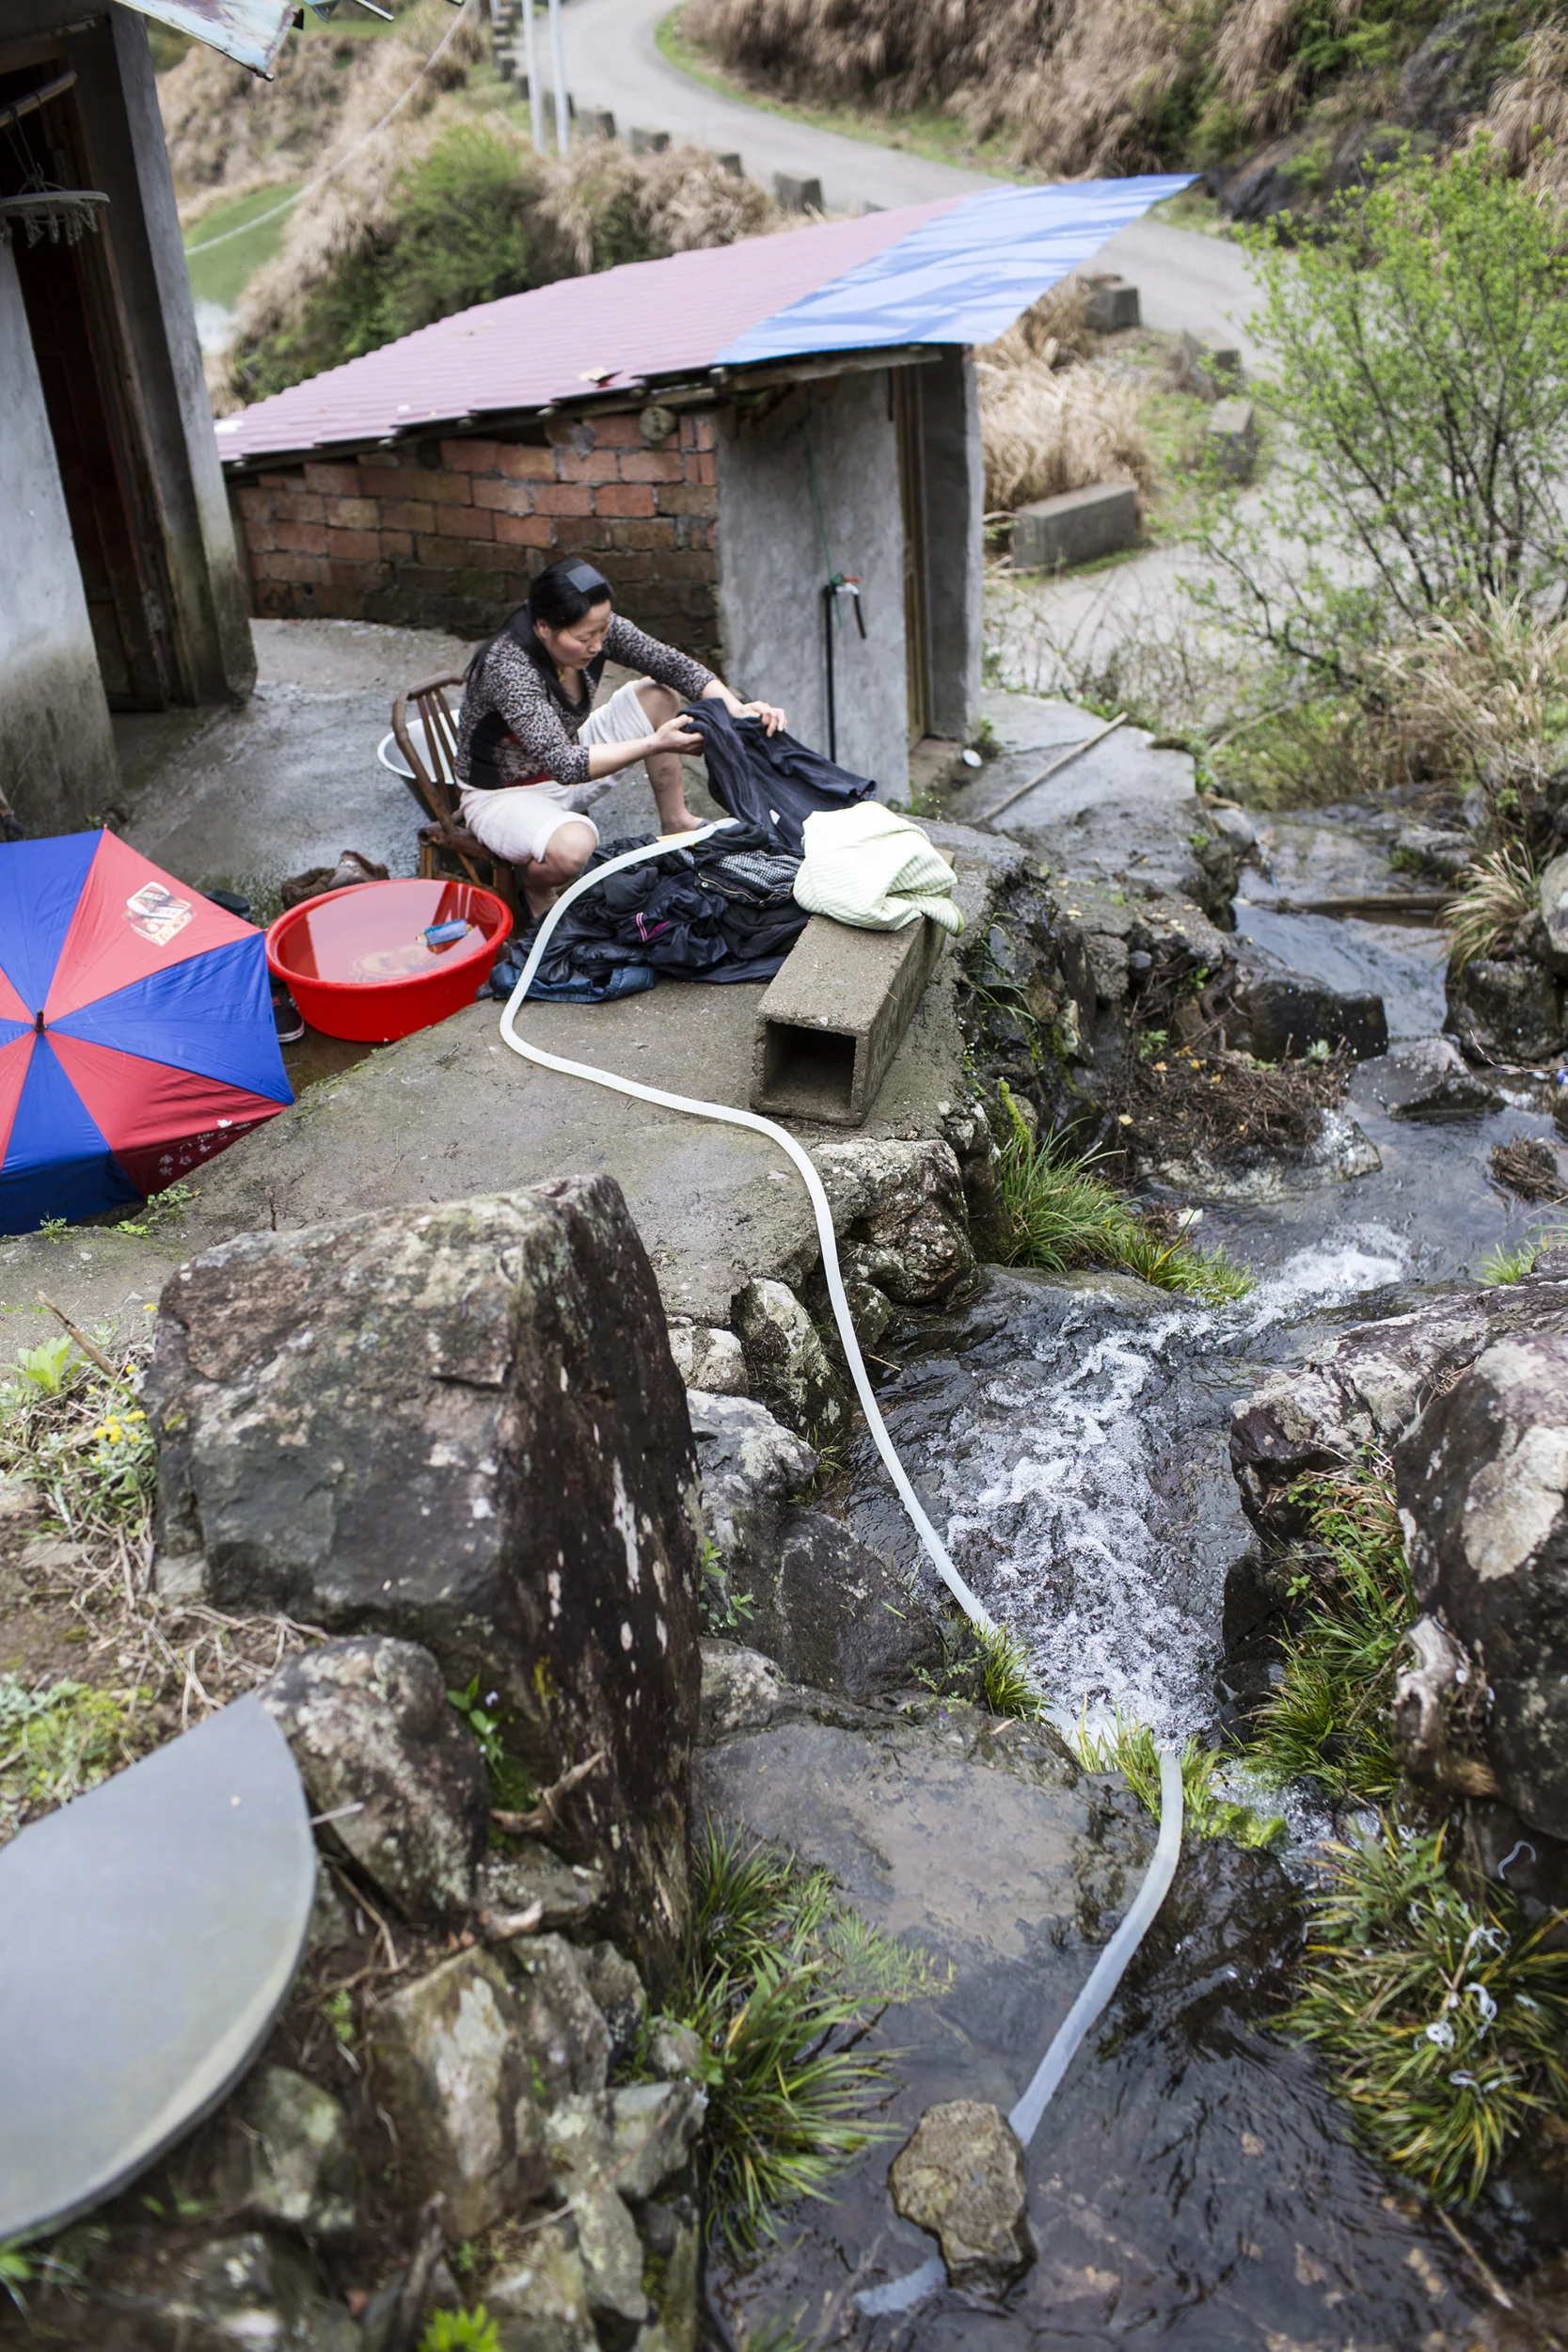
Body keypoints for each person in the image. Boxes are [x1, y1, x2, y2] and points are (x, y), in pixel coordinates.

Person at [454, 558, 785, 918]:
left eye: (602, 630)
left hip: (574, 751)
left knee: (658, 695)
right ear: (543, 627)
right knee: (575, 848)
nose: (598, 644)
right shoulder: (510, 666)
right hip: (507, 795)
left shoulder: (599, 629)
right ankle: (535, 887)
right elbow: (564, 764)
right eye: (584, 638)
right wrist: (654, 744)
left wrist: (738, 709)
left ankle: (676, 821)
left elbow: (674, 666)